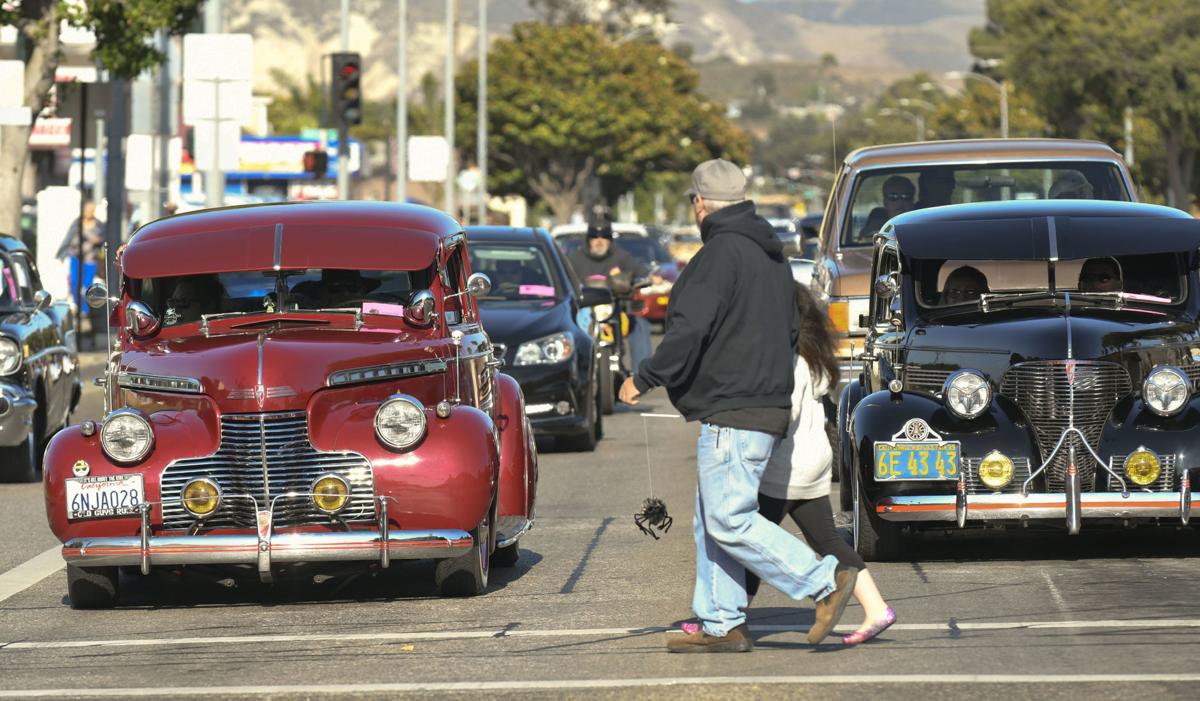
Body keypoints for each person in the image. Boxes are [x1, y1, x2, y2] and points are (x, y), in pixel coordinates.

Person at [619, 159, 858, 653]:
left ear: (700, 203)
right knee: (711, 519)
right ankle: (721, 622)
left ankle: (822, 581)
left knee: (729, 519)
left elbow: (688, 329)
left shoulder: (720, 254)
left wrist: (644, 377)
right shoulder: (771, 256)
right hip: (766, 403)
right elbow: (794, 330)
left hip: (735, 409)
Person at [567, 221, 652, 369]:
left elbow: (642, 272)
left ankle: (641, 375)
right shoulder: (574, 259)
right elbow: (561, 278)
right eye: (594, 236)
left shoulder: (621, 257)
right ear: (588, 240)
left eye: (604, 236)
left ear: (610, 240)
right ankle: (571, 371)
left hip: (615, 311)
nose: (599, 240)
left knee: (640, 325)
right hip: (583, 313)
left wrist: (647, 278)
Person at [56, 201, 104, 311]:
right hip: (76, 257)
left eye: (92, 210)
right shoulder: (77, 223)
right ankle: (79, 305)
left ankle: (85, 310)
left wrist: (97, 240)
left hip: (90, 259)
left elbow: (103, 239)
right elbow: (69, 237)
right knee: (74, 283)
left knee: (87, 285)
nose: (89, 212)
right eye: (87, 210)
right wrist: (62, 253)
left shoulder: (98, 224)